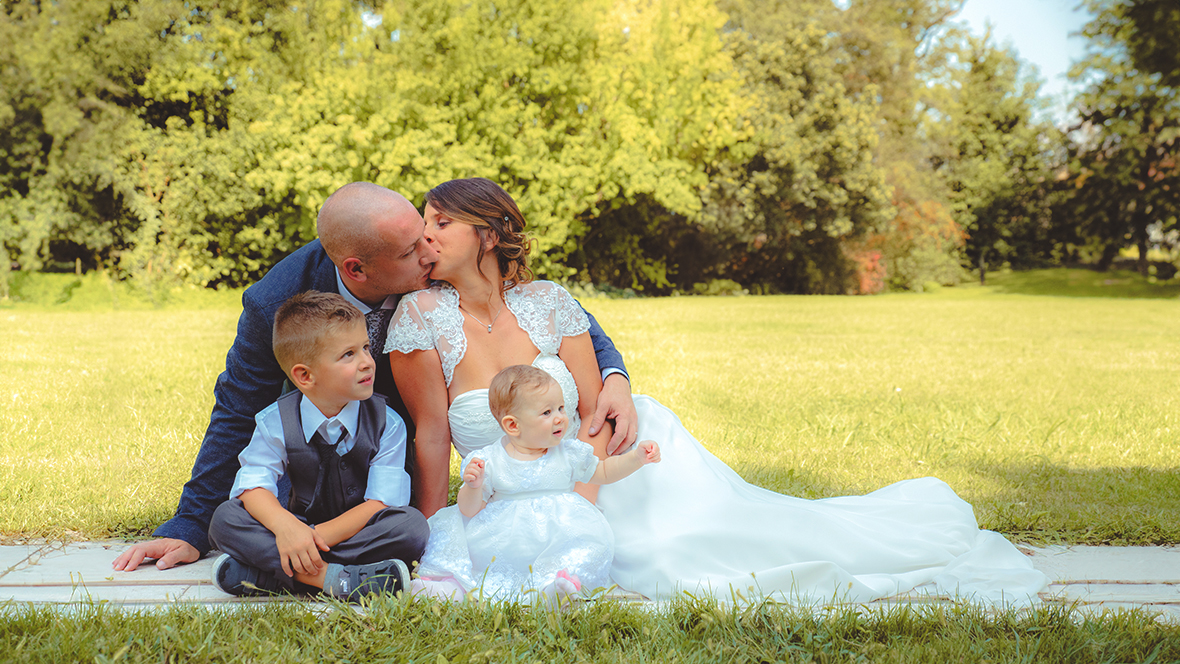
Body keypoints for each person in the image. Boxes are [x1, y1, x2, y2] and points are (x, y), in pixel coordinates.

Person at [386, 177, 1050, 605]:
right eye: (424, 221)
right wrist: (432, 529)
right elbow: (433, 434)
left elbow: (592, 412)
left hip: (613, 464)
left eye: (440, 221)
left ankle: (881, 541)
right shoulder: (420, 320)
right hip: (527, 495)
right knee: (661, 563)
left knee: (707, 545)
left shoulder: (549, 302)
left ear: (490, 234)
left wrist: (585, 488)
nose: (425, 233)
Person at [113, 182, 637, 573]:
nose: (429, 249)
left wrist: (614, 373)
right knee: (229, 519)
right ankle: (319, 569)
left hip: (389, 480)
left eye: (428, 233)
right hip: (315, 472)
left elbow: (557, 318)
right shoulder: (278, 302)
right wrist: (188, 524)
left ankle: (305, 565)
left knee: (405, 527)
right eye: (414, 251)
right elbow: (236, 407)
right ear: (357, 269)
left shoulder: (413, 244)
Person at [207, 291, 419, 599]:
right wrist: (288, 529)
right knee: (225, 519)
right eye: (348, 354)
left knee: (410, 527)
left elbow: (381, 503)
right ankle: (339, 579)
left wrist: (309, 540)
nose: (367, 363)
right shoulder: (275, 420)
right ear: (304, 376)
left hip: (357, 530)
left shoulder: (388, 422)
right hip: (297, 525)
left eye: (365, 348)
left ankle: (271, 575)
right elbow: (253, 487)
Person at [410, 365, 661, 603]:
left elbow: (604, 471)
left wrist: (636, 458)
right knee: (475, 559)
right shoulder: (491, 460)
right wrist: (473, 487)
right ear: (513, 425)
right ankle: (451, 589)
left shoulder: (568, 453)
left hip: (559, 530)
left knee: (585, 545)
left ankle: (555, 589)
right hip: (506, 538)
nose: (560, 418)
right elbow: (468, 510)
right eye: (547, 412)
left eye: (561, 408)